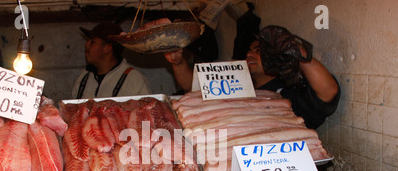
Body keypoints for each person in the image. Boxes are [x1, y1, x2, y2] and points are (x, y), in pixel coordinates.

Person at [164, 26, 340, 129]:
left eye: (259, 51)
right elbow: (193, 88)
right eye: (249, 50)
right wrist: (178, 63)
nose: (250, 53)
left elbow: (328, 92)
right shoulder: (236, 84)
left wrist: (298, 52)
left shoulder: (289, 93)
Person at [72, 21, 152, 99]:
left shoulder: (133, 80)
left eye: (92, 41)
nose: (86, 45)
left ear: (107, 48)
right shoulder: (84, 77)